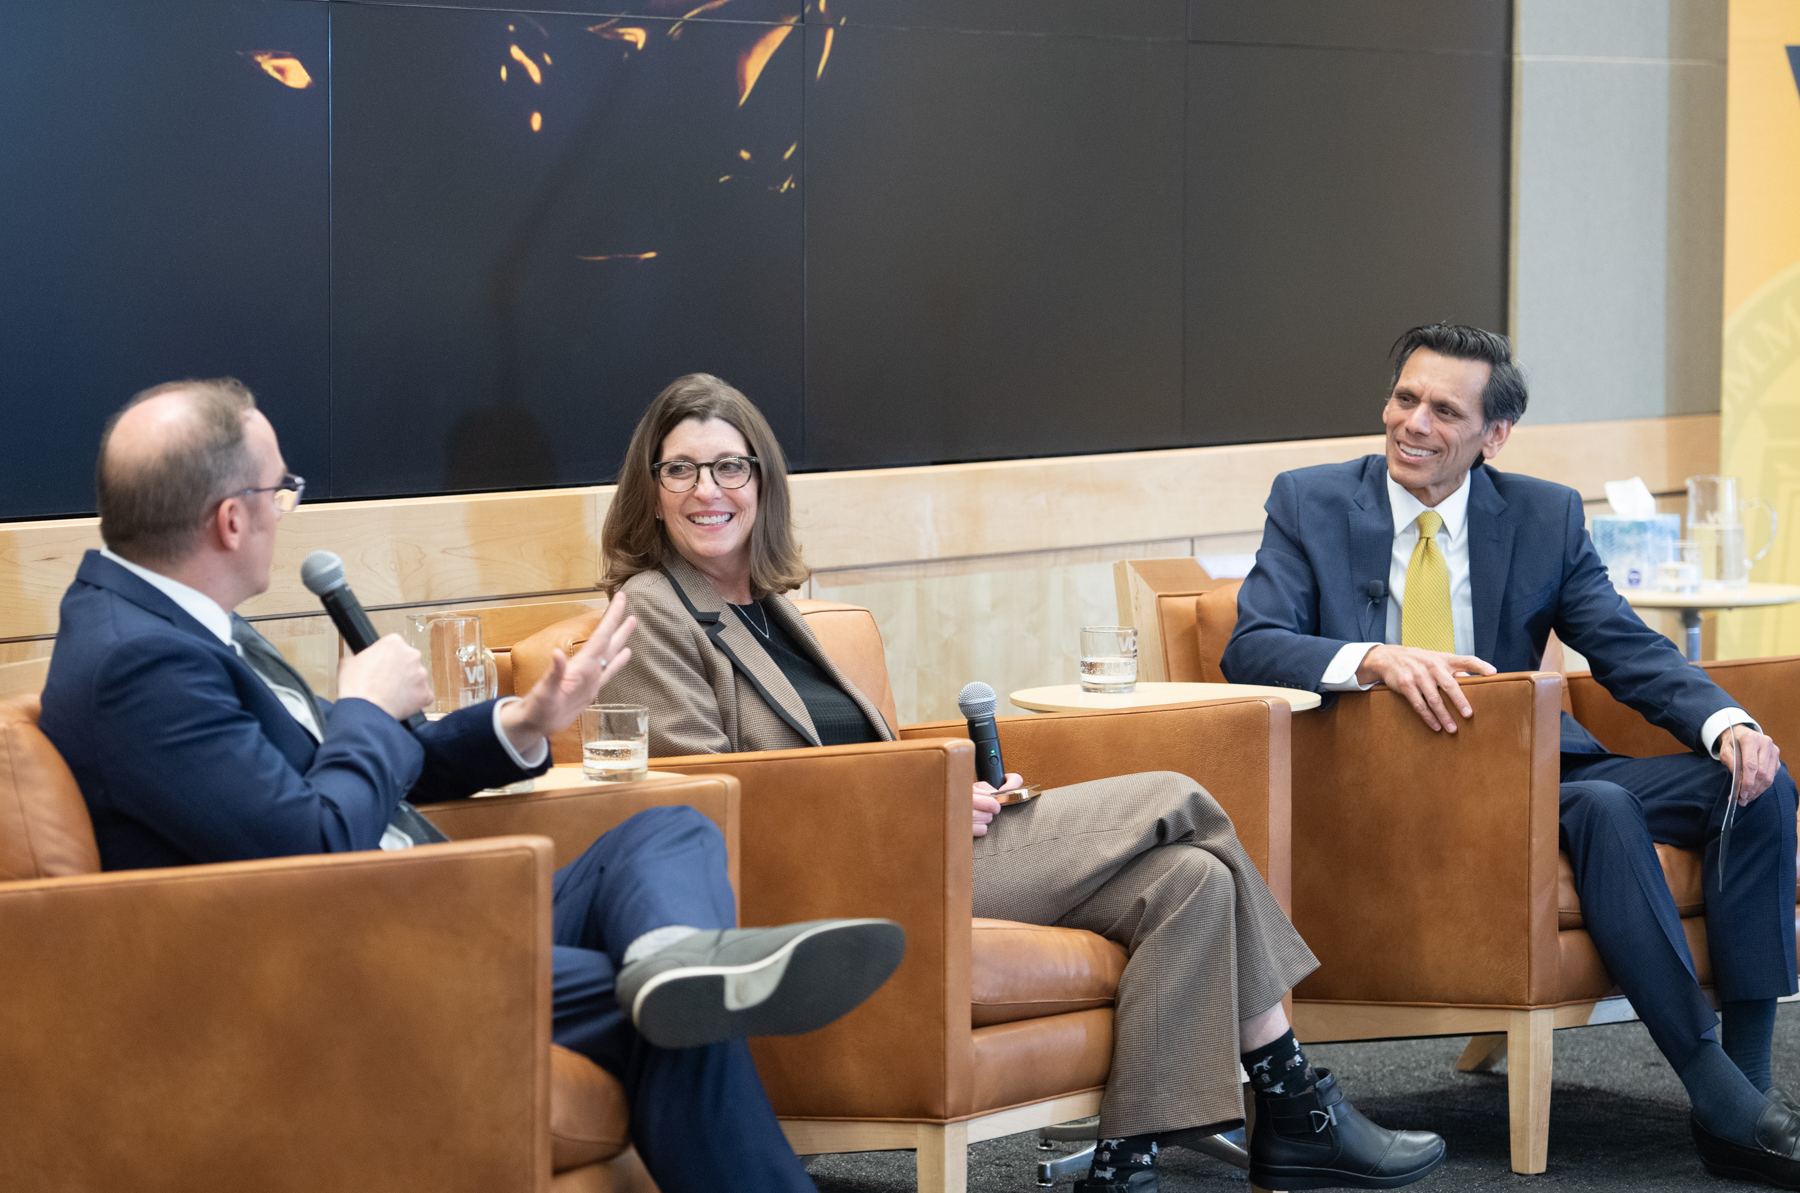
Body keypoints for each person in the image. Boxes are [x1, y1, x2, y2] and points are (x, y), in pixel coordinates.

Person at [38, 377, 906, 1193]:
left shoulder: (174, 623)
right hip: (331, 957)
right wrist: (365, 714)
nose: (285, 510)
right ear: (232, 520)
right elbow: (314, 846)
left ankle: (677, 959)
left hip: (412, 903)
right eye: (281, 490)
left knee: (668, 830)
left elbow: (361, 775)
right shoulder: (137, 663)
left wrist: (522, 723)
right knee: (663, 1013)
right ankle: (678, 983)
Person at [590, 372, 1448, 1193]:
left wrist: (958, 789)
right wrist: (916, 800)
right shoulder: (651, 610)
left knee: (1191, 882)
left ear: (762, 482)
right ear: (651, 488)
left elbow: (852, 754)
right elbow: (707, 800)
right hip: (844, 884)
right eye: (682, 470)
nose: (709, 489)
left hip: (926, 844)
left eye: (730, 466)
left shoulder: (772, 605)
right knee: (1180, 798)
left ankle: (1127, 1162)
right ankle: (1294, 1094)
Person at [1221, 322, 1800, 1186]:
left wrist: (1727, 727)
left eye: (1444, 410)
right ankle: (1718, 1094)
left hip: (1534, 768)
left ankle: (1743, 1093)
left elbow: (1623, 646)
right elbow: (1254, 645)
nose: (1413, 423)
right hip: (1388, 785)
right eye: (1404, 398)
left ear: (1493, 436)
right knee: (1604, 810)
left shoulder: (1542, 514)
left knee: (1755, 785)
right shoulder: (1309, 501)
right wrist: (1373, 659)